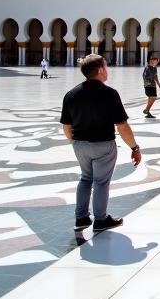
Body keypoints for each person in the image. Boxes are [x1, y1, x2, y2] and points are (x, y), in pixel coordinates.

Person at [60, 54, 141, 232]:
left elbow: (66, 125)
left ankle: (81, 217)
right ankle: (101, 219)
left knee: (85, 178)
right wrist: (134, 147)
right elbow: (122, 125)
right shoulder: (109, 93)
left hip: (80, 144)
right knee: (101, 182)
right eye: (106, 66)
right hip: (103, 145)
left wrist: (74, 142)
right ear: (101, 70)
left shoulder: (71, 94)